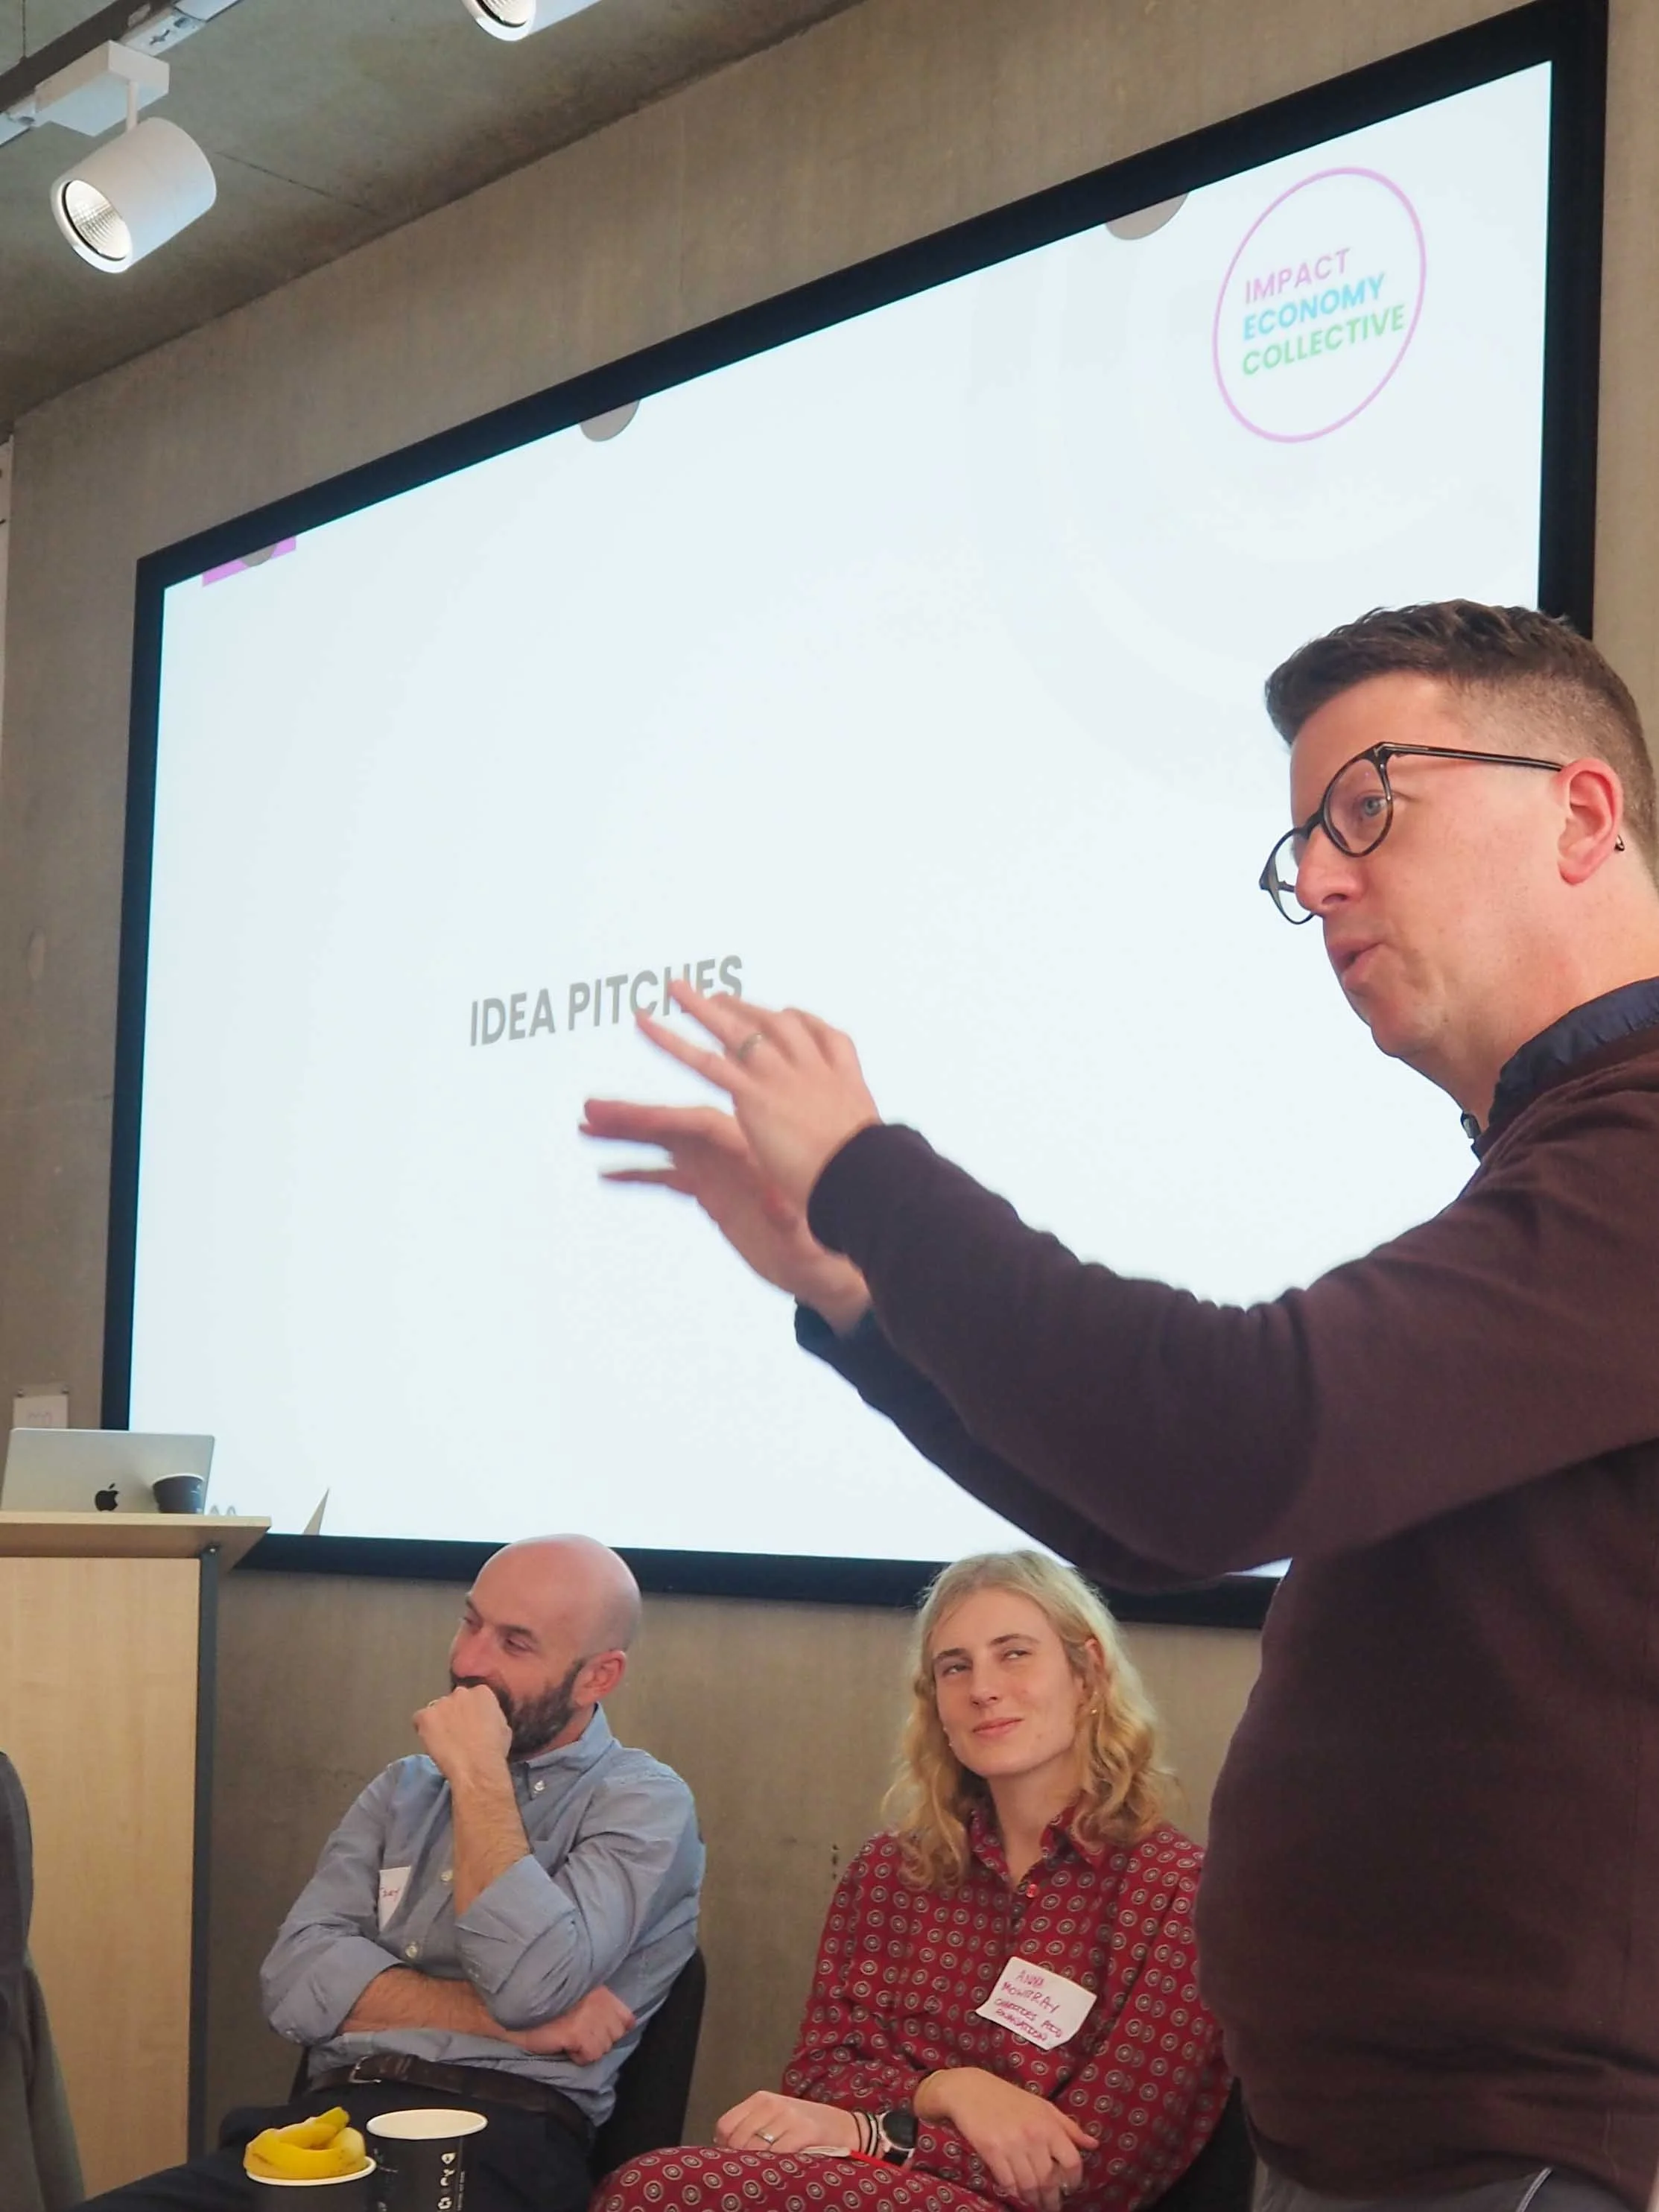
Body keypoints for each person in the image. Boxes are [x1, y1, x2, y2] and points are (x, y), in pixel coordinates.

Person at [580, 602, 1659, 2212]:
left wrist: (875, 1171)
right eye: (1303, 844)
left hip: (1520, 2153)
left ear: (1579, 808)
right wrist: (854, 1297)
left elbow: (1231, 1442)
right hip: (1403, 2141)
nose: (1324, 880)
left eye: (1368, 802)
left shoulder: (1633, 1152)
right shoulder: (1555, 1167)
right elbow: (1146, 1524)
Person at [83, 1534, 703, 2212]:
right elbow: (292, 1979)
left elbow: (528, 1985)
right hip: (333, 2127)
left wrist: (476, 1776)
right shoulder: (402, 1789)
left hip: (499, 2140)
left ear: (598, 1677)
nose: (467, 1661)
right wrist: (504, 2027)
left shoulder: (642, 1801)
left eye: (515, 1644)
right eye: (470, 1622)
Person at [597, 1550, 1229, 2212]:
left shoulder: (1179, 1895)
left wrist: (877, 2133)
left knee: (659, 2190)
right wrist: (950, 2090)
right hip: (864, 2185)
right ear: (937, 1706)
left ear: (1087, 1673)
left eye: (1014, 1654)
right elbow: (818, 2078)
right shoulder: (890, 1873)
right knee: (655, 2184)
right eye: (955, 1666)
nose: (982, 1687)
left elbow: (1090, 2172)